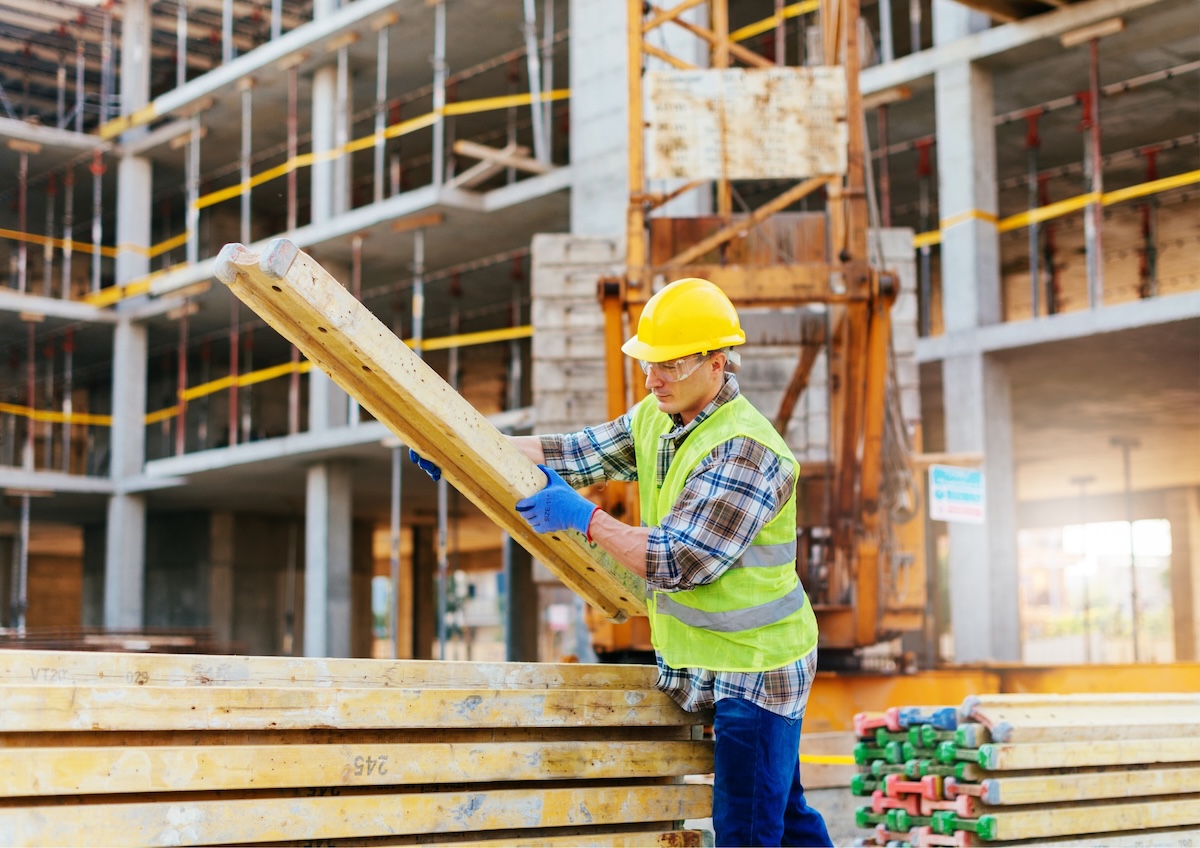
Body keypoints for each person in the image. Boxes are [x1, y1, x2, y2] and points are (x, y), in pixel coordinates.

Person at [413, 276, 831, 847]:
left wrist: (586, 518)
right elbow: (577, 451)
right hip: (714, 660)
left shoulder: (747, 452)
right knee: (784, 816)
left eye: (670, 365)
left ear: (718, 364)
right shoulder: (660, 416)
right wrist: (464, 445)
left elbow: (676, 560)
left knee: (746, 830)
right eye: (647, 364)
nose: (654, 378)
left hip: (758, 671)